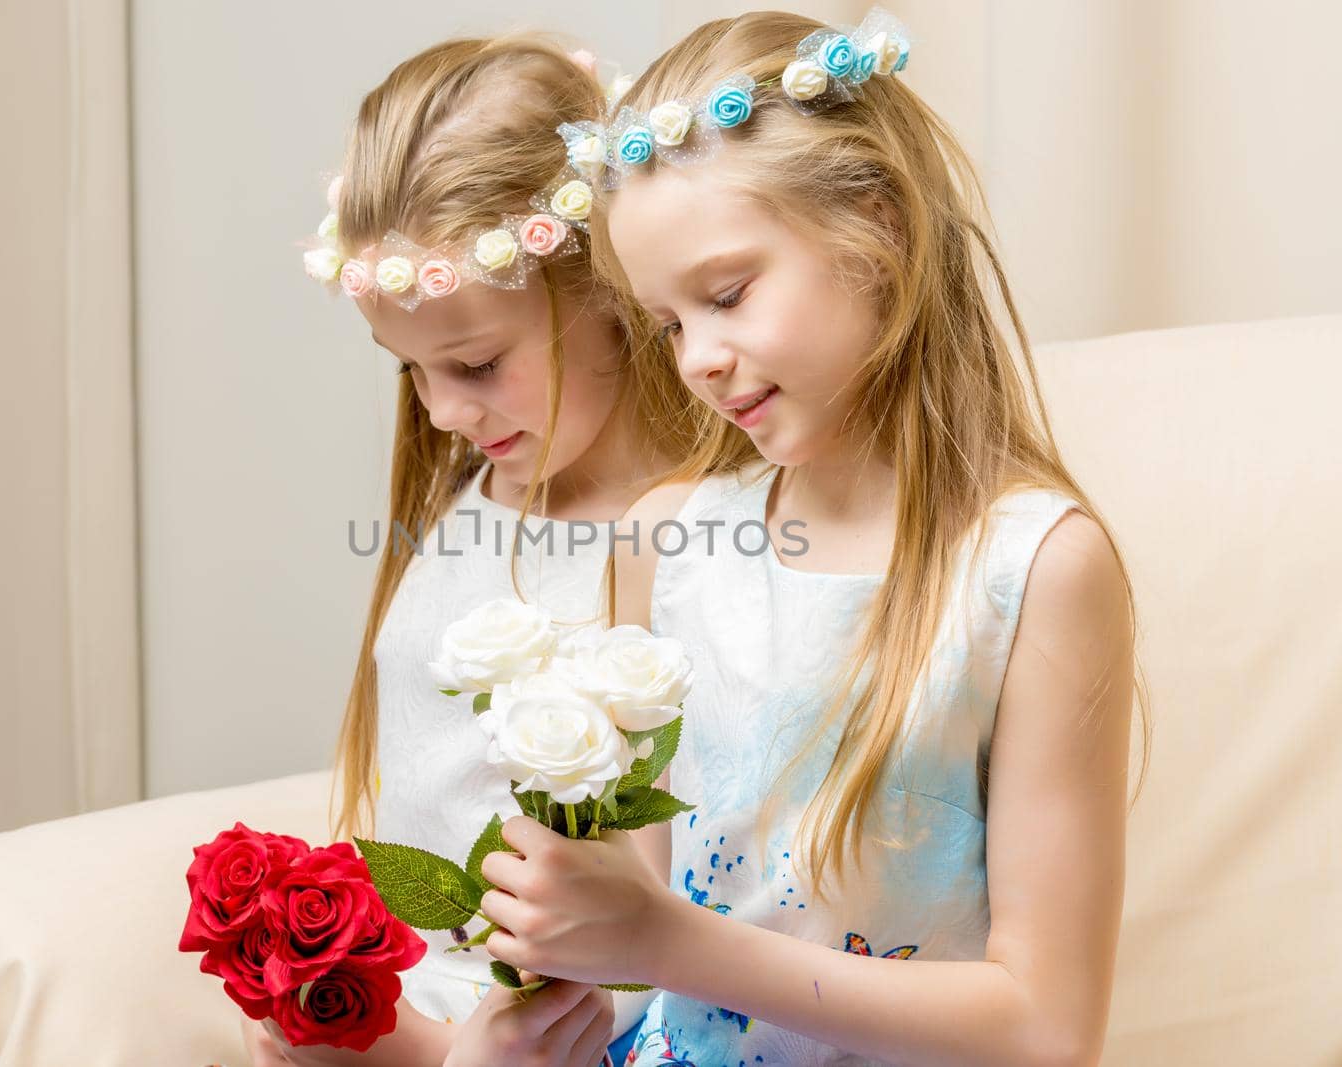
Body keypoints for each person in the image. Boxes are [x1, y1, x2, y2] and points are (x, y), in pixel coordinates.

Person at [477, 10, 1147, 1065]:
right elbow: (632, 953)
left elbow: (1046, 1024)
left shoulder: (1032, 570)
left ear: (876, 229)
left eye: (728, 294)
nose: (695, 357)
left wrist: (671, 941)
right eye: (668, 322)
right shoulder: (668, 539)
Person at [247, 33, 752, 1067]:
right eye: (410, 372)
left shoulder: (707, 539)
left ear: (607, 288)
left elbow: (689, 906)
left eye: (474, 362)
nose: (439, 411)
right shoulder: (468, 501)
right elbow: (419, 819)